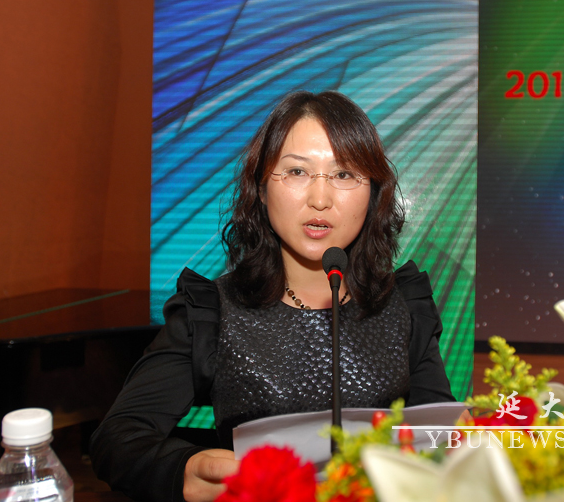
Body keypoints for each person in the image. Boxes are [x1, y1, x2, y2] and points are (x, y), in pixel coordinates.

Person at [90, 91, 455, 502]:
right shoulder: (212, 312)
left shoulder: (403, 306)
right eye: (297, 172)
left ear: (372, 193)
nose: (320, 200)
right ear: (261, 189)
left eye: (344, 174)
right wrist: (186, 469)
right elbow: (117, 438)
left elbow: (443, 435)